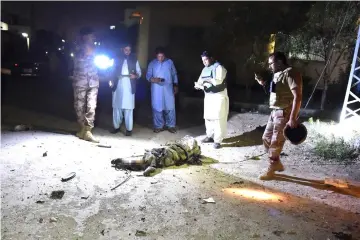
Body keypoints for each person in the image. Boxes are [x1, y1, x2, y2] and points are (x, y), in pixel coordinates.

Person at [255, 52, 303, 180]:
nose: (270, 66)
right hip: (274, 112)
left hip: (284, 112)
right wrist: (263, 83)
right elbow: (277, 92)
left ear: (280, 62)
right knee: (266, 138)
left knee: (276, 142)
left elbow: (297, 97)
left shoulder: (290, 73)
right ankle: (276, 163)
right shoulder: (277, 74)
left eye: (271, 63)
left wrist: (292, 117)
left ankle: (271, 169)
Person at [194, 51, 229, 149]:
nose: (204, 62)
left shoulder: (219, 67)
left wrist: (206, 81)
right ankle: (209, 136)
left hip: (218, 95)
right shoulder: (205, 69)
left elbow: (218, 81)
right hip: (208, 95)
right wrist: (198, 85)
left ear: (211, 58)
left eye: (206, 59)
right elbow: (200, 80)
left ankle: (217, 140)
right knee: (208, 117)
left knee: (218, 117)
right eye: (203, 60)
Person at [72, 27, 100, 143]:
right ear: (84, 37)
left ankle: (88, 130)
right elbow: (77, 57)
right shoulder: (77, 47)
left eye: (93, 35)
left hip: (93, 81)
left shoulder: (97, 48)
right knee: (79, 106)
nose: (93, 37)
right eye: (90, 35)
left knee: (92, 106)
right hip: (80, 81)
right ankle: (82, 129)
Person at [109, 43, 141, 136]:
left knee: (128, 109)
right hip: (118, 85)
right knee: (117, 107)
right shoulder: (115, 59)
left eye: (129, 50)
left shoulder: (134, 60)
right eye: (126, 50)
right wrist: (111, 79)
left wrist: (135, 75)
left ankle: (129, 129)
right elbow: (110, 70)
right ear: (122, 49)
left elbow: (139, 72)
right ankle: (116, 127)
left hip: (129, 86)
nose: (128, 52)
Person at [146, 47, 179, 133]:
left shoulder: (169, 62)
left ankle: (171, 125)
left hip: (168, 88)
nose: (160, 58)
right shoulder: (152, 63)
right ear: (156, 56)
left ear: (165, 55)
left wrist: (175, 84)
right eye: (158, 57)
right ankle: (158, 126)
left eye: (162, 56)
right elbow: (148, 75)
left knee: (170, 106)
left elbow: (174, 73)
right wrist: (153, 79)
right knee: (157, 107)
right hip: (156, 89)